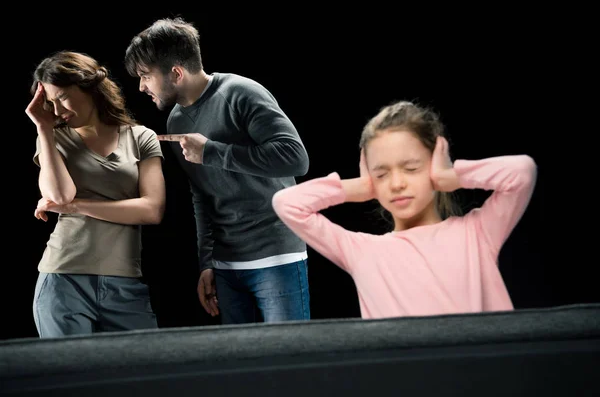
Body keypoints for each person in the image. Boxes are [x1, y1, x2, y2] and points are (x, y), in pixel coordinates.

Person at [272, 101, 537, 320]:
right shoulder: (361, 250)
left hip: (487, 378)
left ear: (435, 162)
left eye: (411, 169)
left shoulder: (477, 233)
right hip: (405, 381)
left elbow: (521, 172)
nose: (397, 184)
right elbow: (287, 203)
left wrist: (451, 175)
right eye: (382, 173)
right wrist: (358, 188)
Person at [123, 17, 311, 324]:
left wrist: (211, 151)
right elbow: (202, 195)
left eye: (145, 76)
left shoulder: (241, 92)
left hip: (276, 258)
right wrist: (207, 262)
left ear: (176, 73)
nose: (141, 86)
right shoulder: (176, 122)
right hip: (226, 267)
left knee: (289, 360)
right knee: (239, 367)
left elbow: (296, 158)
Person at [26, 51, 166, 337]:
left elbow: (152, 210)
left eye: (61, 97)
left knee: (140, 376)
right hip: (63, 280)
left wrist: (77, 207)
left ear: (89, 88)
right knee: (71, 379)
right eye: (49, 103)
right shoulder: (54, 138)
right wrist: (43, 129)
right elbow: (59, 195)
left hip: (125, 282)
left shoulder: (141, 137)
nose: (55, 111)